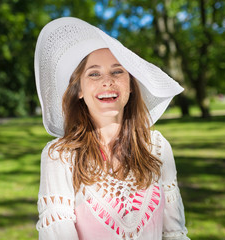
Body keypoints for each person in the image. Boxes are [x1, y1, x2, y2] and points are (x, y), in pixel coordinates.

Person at [34, 17, 190, 240]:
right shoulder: (60, 156)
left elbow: (175, 234)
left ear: (131, 85)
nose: (107, 81)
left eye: (118, 71)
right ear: (78, 90)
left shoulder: (156, 146)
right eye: (94, 73)